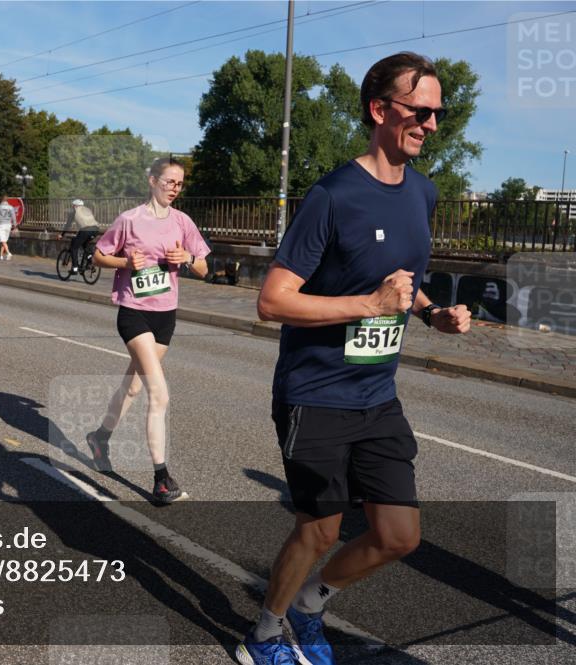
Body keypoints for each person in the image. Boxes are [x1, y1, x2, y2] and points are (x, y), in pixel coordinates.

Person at [236, 53, 472, 665]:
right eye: (421, 111)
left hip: (376, 396)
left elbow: (402, 279)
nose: (433, 124)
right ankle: (263, 633)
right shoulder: (333, 195)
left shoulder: (423, 192)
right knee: (318, 529)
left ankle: (311, 604)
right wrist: (370, 304)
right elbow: (272, 301)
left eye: (439, 113)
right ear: (380, 110)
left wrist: (428, 313)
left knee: (399, 535)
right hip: (315, 395)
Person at [87, 157, 209, 504]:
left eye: (180, 184)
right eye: (170, 181)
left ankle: (99, 437)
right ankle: (161, 479)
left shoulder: (183, 222)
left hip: (165, 315)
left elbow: (203, 268)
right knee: (160, 394)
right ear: (152, 181)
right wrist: (125, 262)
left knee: (135, 386)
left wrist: (185, 258)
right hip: (134, 313)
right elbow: (98, 255)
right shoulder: (130, 220)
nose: (175, 188)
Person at [61, 198, 100, 274]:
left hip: (85, 231)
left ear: (75, 206)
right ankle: (90, 262)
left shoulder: (74, 211)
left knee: (74, 248)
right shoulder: (87, 211)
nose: (72, 207)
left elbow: (68, 225)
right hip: (95, 230)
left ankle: (75, 268)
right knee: (85, 245)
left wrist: (62, 234)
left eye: (73, 206)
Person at [0, 195, 16, 260]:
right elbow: (14, 217)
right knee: (4, 241)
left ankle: (9, 253)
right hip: (9, 225)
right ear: (7, 200)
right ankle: (1, 255)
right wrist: (14, 225)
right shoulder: (11, 207)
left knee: (2, 240)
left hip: (2, 225)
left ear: (2, 200)